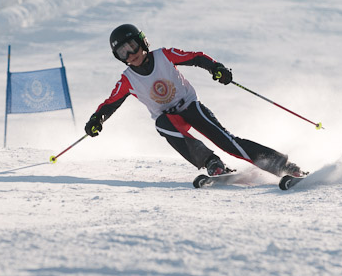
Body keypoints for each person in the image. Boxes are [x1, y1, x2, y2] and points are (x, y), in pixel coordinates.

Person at [85, 23, 304, 178]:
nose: (130, 54)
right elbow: (110, 103)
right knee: (162, 125)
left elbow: (195, 57)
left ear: (142, 42)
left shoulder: (164, 55)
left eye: (131, 46)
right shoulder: (128, 79)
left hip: (191, 107)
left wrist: (216, 69)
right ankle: (212, 163)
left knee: (227, 141)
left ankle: (282, 165)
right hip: (170, 119)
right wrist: (97, 119)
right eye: (122, 52)